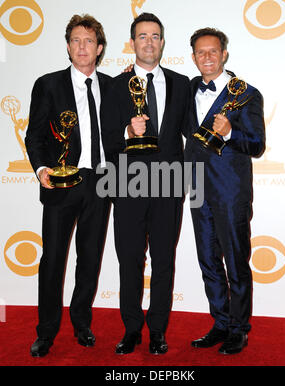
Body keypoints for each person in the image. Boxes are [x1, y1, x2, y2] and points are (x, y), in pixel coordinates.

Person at [102, 13, 190, 354]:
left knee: (164, 260)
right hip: (128, 186)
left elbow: (193, 134)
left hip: (169, 185)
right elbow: (106, 137)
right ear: (132, 43)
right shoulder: (114, 85)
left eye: (155, 36)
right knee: (129, 260)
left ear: (163, 42)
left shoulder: (182, 83)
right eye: (142, 36)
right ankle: (131, 329)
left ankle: (158, 331)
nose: (149, 42)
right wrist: (127, 132)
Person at [25, 14, 111, 357]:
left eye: (88, 40)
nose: (82, 46)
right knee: (53, 259)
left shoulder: (113, 86)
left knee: (90, 258)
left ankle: (81, 323)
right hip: (62, 182)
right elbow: (34, 135)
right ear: (67, 46)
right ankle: (46, 331)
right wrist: (42, 168)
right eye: (75, 40)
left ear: (99, 48)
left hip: (102, 182)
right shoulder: (48, 84)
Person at [185, 28, 265, 354]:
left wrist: (231, 132)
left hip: (231, 192)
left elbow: (257, 145)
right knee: (208, 262)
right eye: (200, 52)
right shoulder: (185, 89)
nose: (207, 57)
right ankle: (219, 323)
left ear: (224, 54)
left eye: (213, 51)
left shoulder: (247, 94)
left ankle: (239, 328)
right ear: (193, 57)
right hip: (196, 189)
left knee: (235, 262)